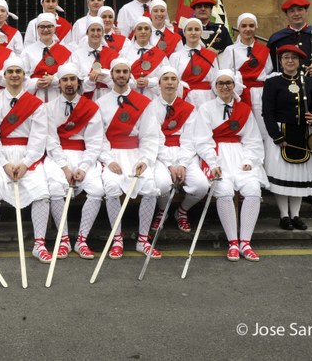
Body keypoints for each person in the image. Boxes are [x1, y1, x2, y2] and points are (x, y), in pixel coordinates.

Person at [193, 69, 268, 262]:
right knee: (224, 190)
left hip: (239, 156)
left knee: (252, 189)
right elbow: (202, 139)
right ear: (215, 87)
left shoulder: (244, 110)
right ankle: (233, 242)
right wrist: (212, 162)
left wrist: (249, 161)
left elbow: (252, 139)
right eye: (221, 83)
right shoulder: (206, 108)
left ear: (234, 86)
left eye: (228, 83)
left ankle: (246, 242)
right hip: (217, 156)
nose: (225, 87)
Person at [0, 57, 52, 262]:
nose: (14, 75)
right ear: (3, 76)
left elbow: (39, 137)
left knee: (41, 191)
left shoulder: (36, 104)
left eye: (18, 71)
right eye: (10, 71)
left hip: (27, 157)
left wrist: (26, 163)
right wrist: (4, 163)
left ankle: (39, 244)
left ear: (24, 76)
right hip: (0, 157)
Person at [98, 58, 163, 258]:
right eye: (117, 71)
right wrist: (109, 161)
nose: (121, 75)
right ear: (111, 75)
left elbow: (150, 135)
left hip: (136, 155)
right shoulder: (100, 103)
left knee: (151, 188)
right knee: (111, 187)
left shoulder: (143, 103)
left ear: (130, 75)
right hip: (112, 155)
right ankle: (117, 238)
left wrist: (145, 160)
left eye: (125, 71)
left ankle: (143, 239)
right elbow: (97, 137)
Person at [43, 63, 106, 259]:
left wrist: (84, 167)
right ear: (59, 84)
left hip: (84, 156)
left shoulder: (91, 108)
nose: (69, 84)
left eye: (73, 80)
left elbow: (95, 142)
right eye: (65, 80)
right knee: (55, 189)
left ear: (79, 83)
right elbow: (50, 140)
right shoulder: (48, 108)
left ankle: (81, 240)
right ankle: (63, 240)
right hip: (58, 157)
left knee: (97, 190)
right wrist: (64, 167)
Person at [262, 45, 312, 231]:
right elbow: (268, 113)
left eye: (294, 58)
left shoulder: (309, 82)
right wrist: (277, 136)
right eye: (286, 58)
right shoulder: (272, 83)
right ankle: (284, 216)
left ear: (299, 62)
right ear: (281, 61)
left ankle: (296, 215)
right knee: (284, 177)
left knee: (298, 177)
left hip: (303, 135)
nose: (290, 61)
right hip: (282, 134)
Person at [146, 66, 209, 234]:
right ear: (159, 83)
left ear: (178, 83)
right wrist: (169, 165)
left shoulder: (188, 108)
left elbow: (190, 138)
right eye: (165, 79)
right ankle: (162, 211)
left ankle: (182, 211)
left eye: (173, 79)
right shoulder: (150, 107)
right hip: (160, 154)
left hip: (184, 153)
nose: (169, 82)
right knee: (162, 184)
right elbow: (153, 139)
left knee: (201, 185)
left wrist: (182, 164)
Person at [218, 12, 273, 135]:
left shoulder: (264, 50)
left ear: (256, 27)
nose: (248, 29)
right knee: (242, 127)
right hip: (239, 93)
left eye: (251, 26)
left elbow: (268, 70)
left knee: (262, 127)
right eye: (244, 26)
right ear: (238, 28)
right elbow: (225, 72)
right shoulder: (230, 50)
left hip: (260, 94)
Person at [21, 13, 73, 102]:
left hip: (58, 95)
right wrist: (36, 83)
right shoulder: (27, 51)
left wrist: (54, 79)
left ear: (55, 28)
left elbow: (70, 73)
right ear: (37, 29)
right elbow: (22, 77)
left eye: (49, 26)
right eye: (42, 26)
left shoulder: (64, 51)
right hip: (35, 97)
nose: (45, 29)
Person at [169, 17, 218, 108]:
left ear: (201, 32)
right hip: (185, 99)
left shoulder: (210, 56)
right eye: (190, 29)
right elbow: (172, 80)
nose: (193, 32)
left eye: (197, 29)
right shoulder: (175, 56)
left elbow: (215, 80)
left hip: (208, 99)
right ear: (184, 33)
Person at [120, 16, 169, 99]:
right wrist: (133, 83)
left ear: (150, 32)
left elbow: (168, 77)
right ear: (134, 32)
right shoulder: (124, 52)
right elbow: (117, 76)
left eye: (146, 29)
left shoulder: (160, 54)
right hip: (129, 97)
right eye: (139, 29)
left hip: (152, 99)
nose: (143, 32)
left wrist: (149, 82)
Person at [71, 16, 118, 100]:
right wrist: (90, 80)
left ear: (103, 32)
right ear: (87, 32)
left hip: (108, 99)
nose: (96, 33)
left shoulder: (113, 54)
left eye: (99, 30)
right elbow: (75, 83)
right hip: (86, 99)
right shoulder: (77, 55)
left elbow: (119, 81)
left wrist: (104, 75)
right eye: (92, 30)